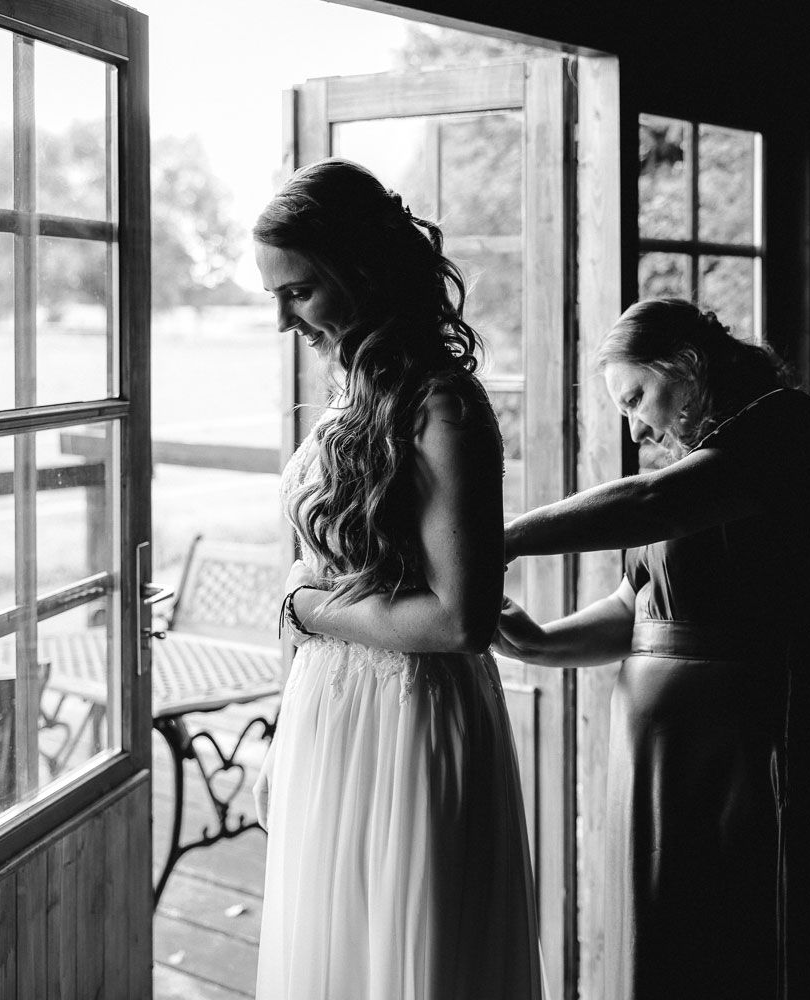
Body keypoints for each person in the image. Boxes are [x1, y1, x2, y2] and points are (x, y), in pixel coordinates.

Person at [248, 159, 541, 1000]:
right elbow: (330, 569)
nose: (282, 319)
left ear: (363, 272)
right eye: (274, 295)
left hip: (411, 715)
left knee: (408, 960)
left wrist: (309, 612)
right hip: (331, 709)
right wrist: (286, 730)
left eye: (298, 292)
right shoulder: (354, 393)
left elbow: (459, 621)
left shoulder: (442, 407)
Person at [492, 297, 810, 1000]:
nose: (636, 426)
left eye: (636, 398)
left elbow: (650, 502)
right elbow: (635, 609)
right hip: (663, 755)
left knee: (740, 936)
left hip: (746, 744)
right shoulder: (696, 466)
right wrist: (538, 642)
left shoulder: (783, 427)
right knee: (668, 939)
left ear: (687, 365)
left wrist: (505, 539)